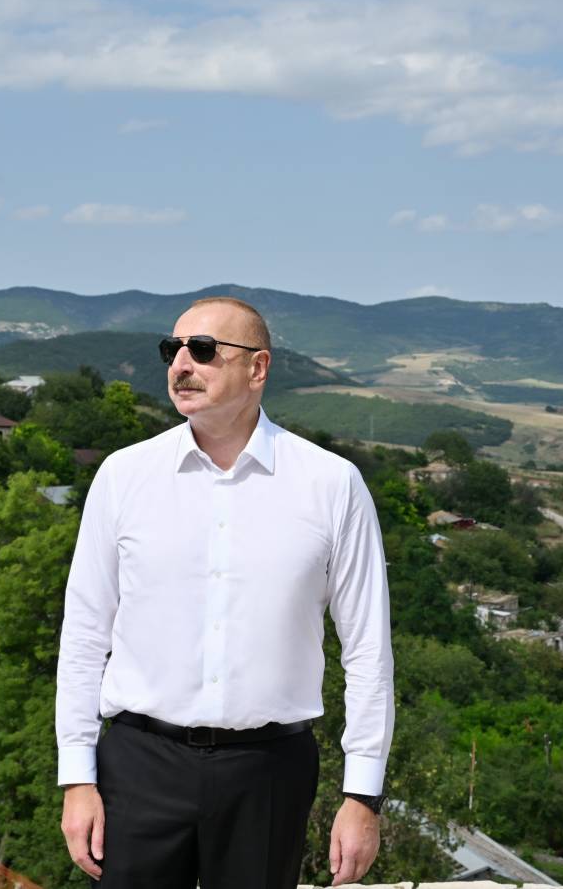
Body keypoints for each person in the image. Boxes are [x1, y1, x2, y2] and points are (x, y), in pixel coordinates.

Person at [56, 296, 394, 888]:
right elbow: (84, 636)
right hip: (138, 766)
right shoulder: (123, 476)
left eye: (204, 350)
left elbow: (367, 649)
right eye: (173, 349)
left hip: (269, 772)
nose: (182, 364)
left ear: (257, 368)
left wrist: (362, 794)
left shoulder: (332, 484)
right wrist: (77, 777)